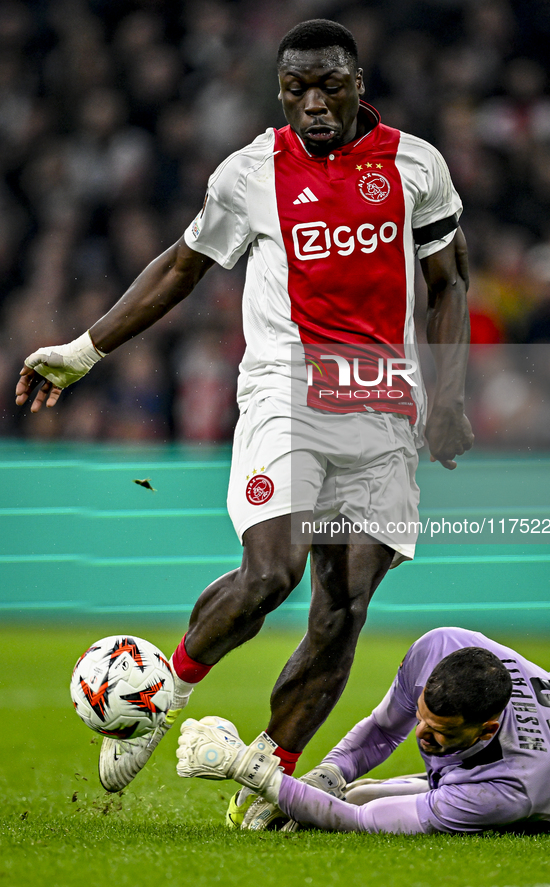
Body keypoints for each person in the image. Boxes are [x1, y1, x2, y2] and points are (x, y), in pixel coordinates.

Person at [14, 19, 473, 810]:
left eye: (329, 85)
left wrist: (448, 395)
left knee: (343, 605)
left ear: (358, 83)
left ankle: (269, 770)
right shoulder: (250, 172)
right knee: (272, 571)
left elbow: (450, 281)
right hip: (284, 393)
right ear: (281, 91)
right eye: (296, 89)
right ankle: (163, 698)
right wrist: (86, 349)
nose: (313, 104)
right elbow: (183, 264)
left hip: (382, 407)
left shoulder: (415, 165)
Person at [176, 626, 550, 834]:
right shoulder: (441, 645)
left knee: (362, 801)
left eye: (442, 731)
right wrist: (328, 775)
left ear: (488, 729)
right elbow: (382, 730)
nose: (422, 735)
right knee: (353, 788)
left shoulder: (509, 790)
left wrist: (248, 767)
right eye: (422, 716)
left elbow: (359, 820)